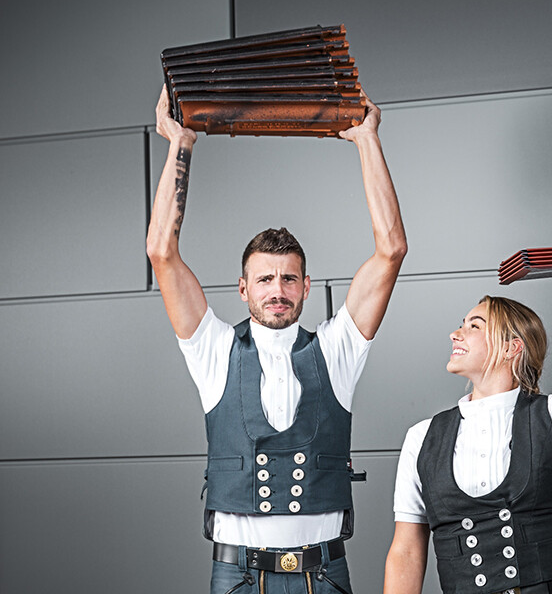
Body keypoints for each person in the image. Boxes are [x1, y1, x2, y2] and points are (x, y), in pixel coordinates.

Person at [147, 85, 407, 594]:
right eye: (264, 280)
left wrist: (366, 140)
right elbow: (162, 252)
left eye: (289, 279)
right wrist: (180, 142)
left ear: (307, 287)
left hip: (325, 574)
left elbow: (391, 249)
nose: (277, 291)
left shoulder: (337, 350)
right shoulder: (213, 349)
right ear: (243, 288)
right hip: (238, 575)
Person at [384, 265, 552, 594]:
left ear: (512, 347)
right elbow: (406, 551)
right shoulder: (421, 438)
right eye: (460, 325)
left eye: (474, 326)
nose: (456, 334)